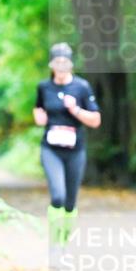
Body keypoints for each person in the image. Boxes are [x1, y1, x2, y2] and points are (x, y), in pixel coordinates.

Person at [33, 43, 101, 247]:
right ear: (52, 64)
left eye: (65, 62)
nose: (61, 66)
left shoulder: (81, 87)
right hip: (50, 149)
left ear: (71, 64)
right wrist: (39, 118)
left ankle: (64, 242)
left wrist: (76, 110)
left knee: (70, 203)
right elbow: (37, 109)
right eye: (57, 62)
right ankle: (54, 244)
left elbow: (96, 120)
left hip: (75, 151)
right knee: (58, 197)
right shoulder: (44, 87)